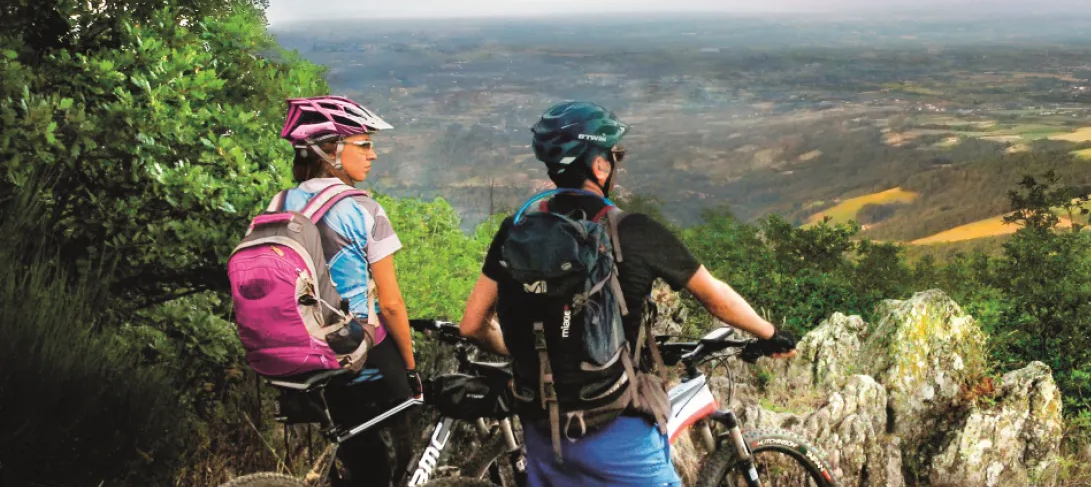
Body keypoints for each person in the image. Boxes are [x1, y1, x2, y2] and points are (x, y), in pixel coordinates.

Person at [459, 101, 798, 487]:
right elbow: (715, 297)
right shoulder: (631, 230)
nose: (616, 164)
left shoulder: (516, 230)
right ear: (599, 166)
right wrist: (770, 334)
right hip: (616, 431)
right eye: (614, 156)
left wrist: (535, 351)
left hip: (540, 431)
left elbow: (472, 325)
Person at [281, 95, 420, 487]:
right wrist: (411, 369)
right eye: (364, 145)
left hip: (299, 351)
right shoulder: (363, 209)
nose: (373, 155)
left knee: (359, 458)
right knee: (400, 463)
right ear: (331, 151)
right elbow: (391, 305)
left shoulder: (281, 204)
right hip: (357, 352)